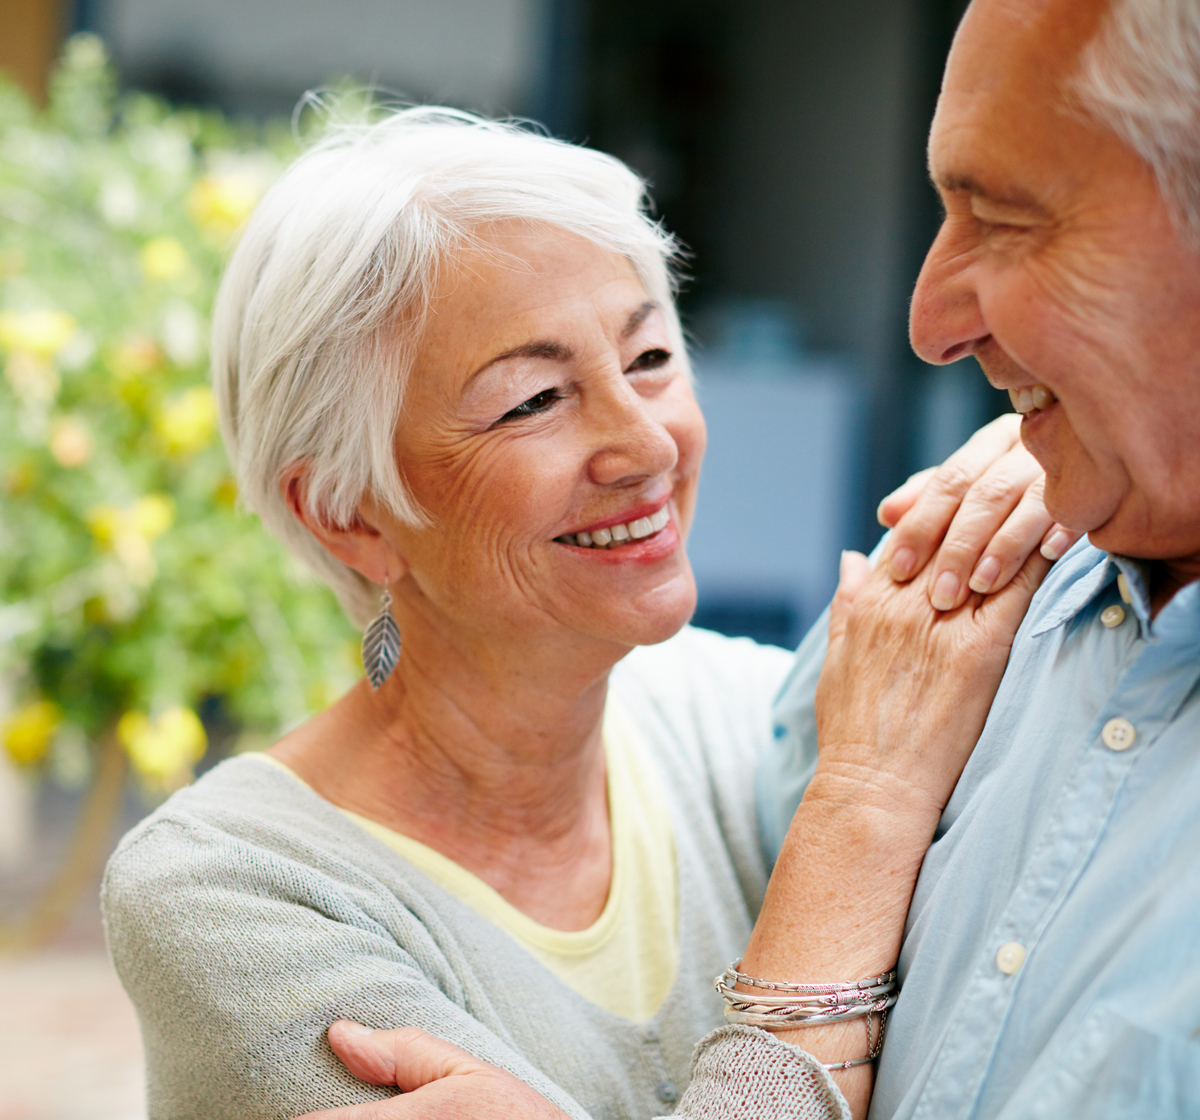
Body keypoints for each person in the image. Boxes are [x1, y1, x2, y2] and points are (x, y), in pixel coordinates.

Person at [314, 0, 1200, 1116]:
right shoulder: (947, 595)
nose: (929, 321)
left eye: (1008, 220)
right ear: (348, 511)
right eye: (534, 399)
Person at [100, 108, 1063, 1120]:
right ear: (347, 514)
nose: (647, 445)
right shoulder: (225, 892)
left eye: (649, 358)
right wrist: (864, 806)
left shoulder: (748, 712)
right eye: (534, 401)